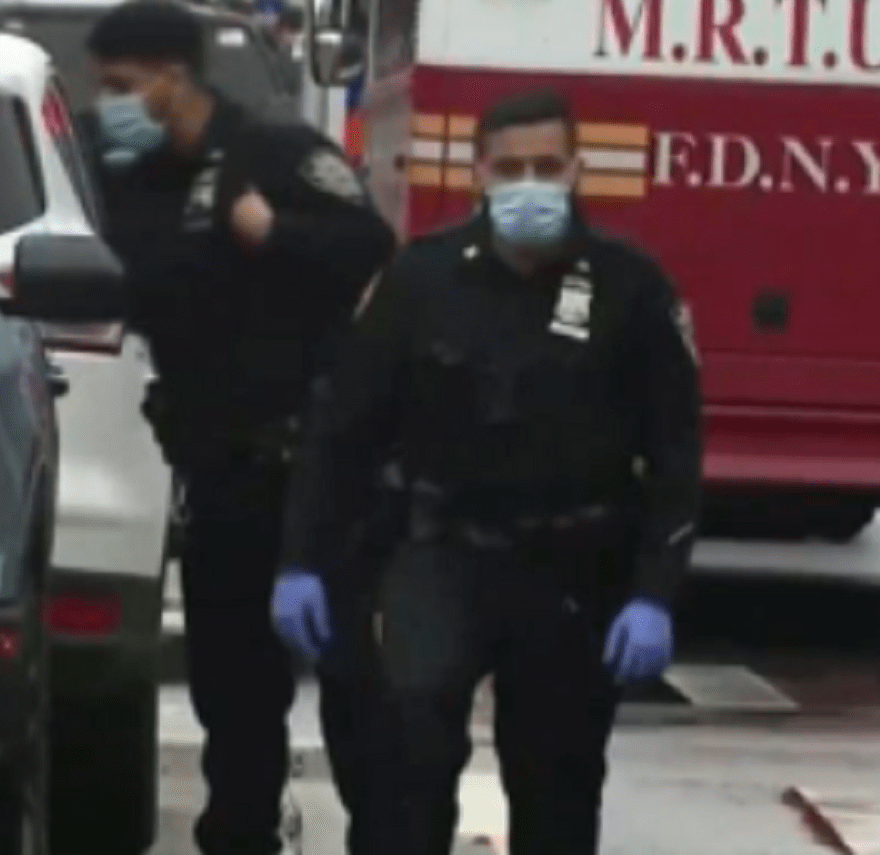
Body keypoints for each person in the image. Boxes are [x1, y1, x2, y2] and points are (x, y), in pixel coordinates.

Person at [274, 88, 703, 855]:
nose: (529, 182)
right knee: (407, 759)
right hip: (442, 556)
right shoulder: (423, 280)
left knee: (559, 783)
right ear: (479, 172)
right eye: (510, 168)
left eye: (546, 165)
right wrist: (301, 561)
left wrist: (654, 594)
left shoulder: (629, 287)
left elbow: (675, 451)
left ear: (577, 169)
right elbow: (343, 432)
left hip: (574, 567)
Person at [85, 0, 394, 855]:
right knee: (233, 687)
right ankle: (242, 835)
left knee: (353, 685)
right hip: (220, 473)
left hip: (319, 470)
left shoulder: (274, 152)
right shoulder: (130, 179)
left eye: (121, 84)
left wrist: (273, 233)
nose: (107, 99)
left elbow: (369, 244)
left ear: (172, 79)